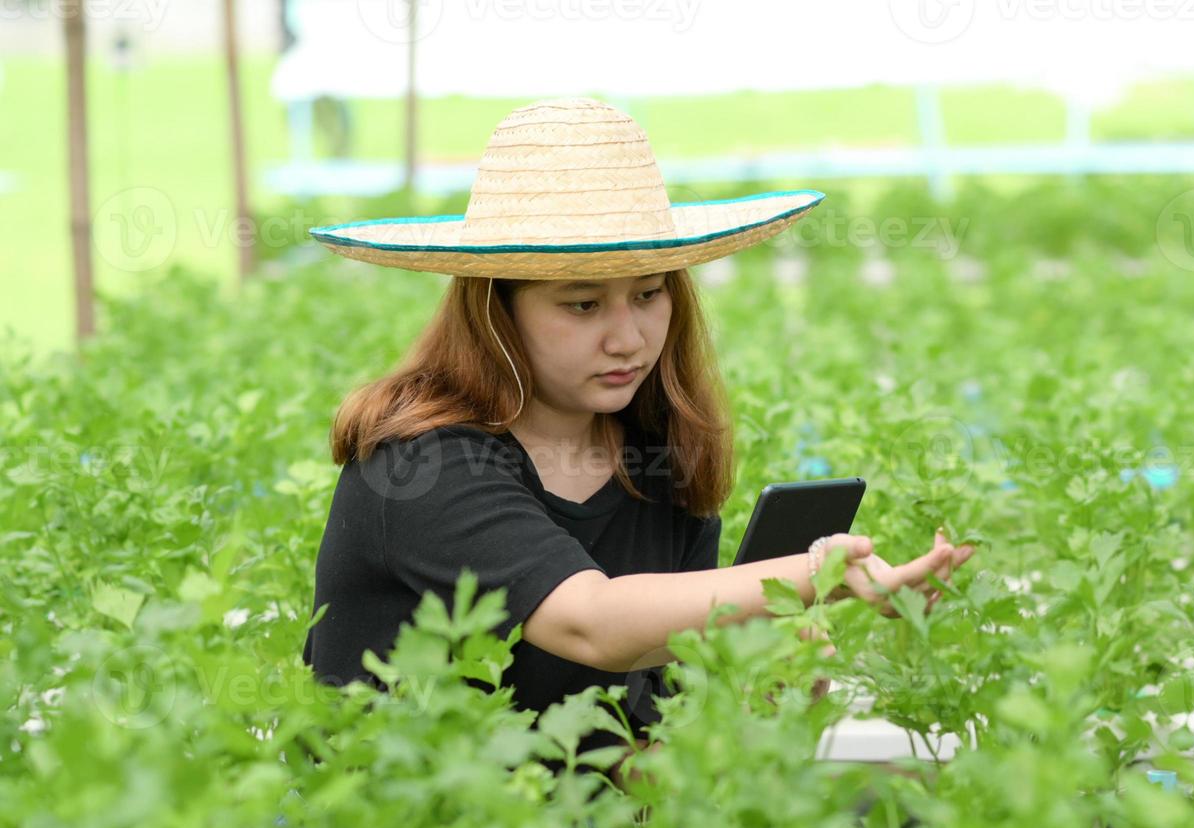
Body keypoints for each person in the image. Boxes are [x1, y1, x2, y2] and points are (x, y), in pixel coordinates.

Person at [299, 97, 977, 782]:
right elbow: (591, 623)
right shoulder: (421, 462)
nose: (628, 338)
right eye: (583, 304)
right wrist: (815, 574)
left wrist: (767, 702)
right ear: (494, 309)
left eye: (649, 294)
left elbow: (640, 744)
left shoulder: (657, 456)